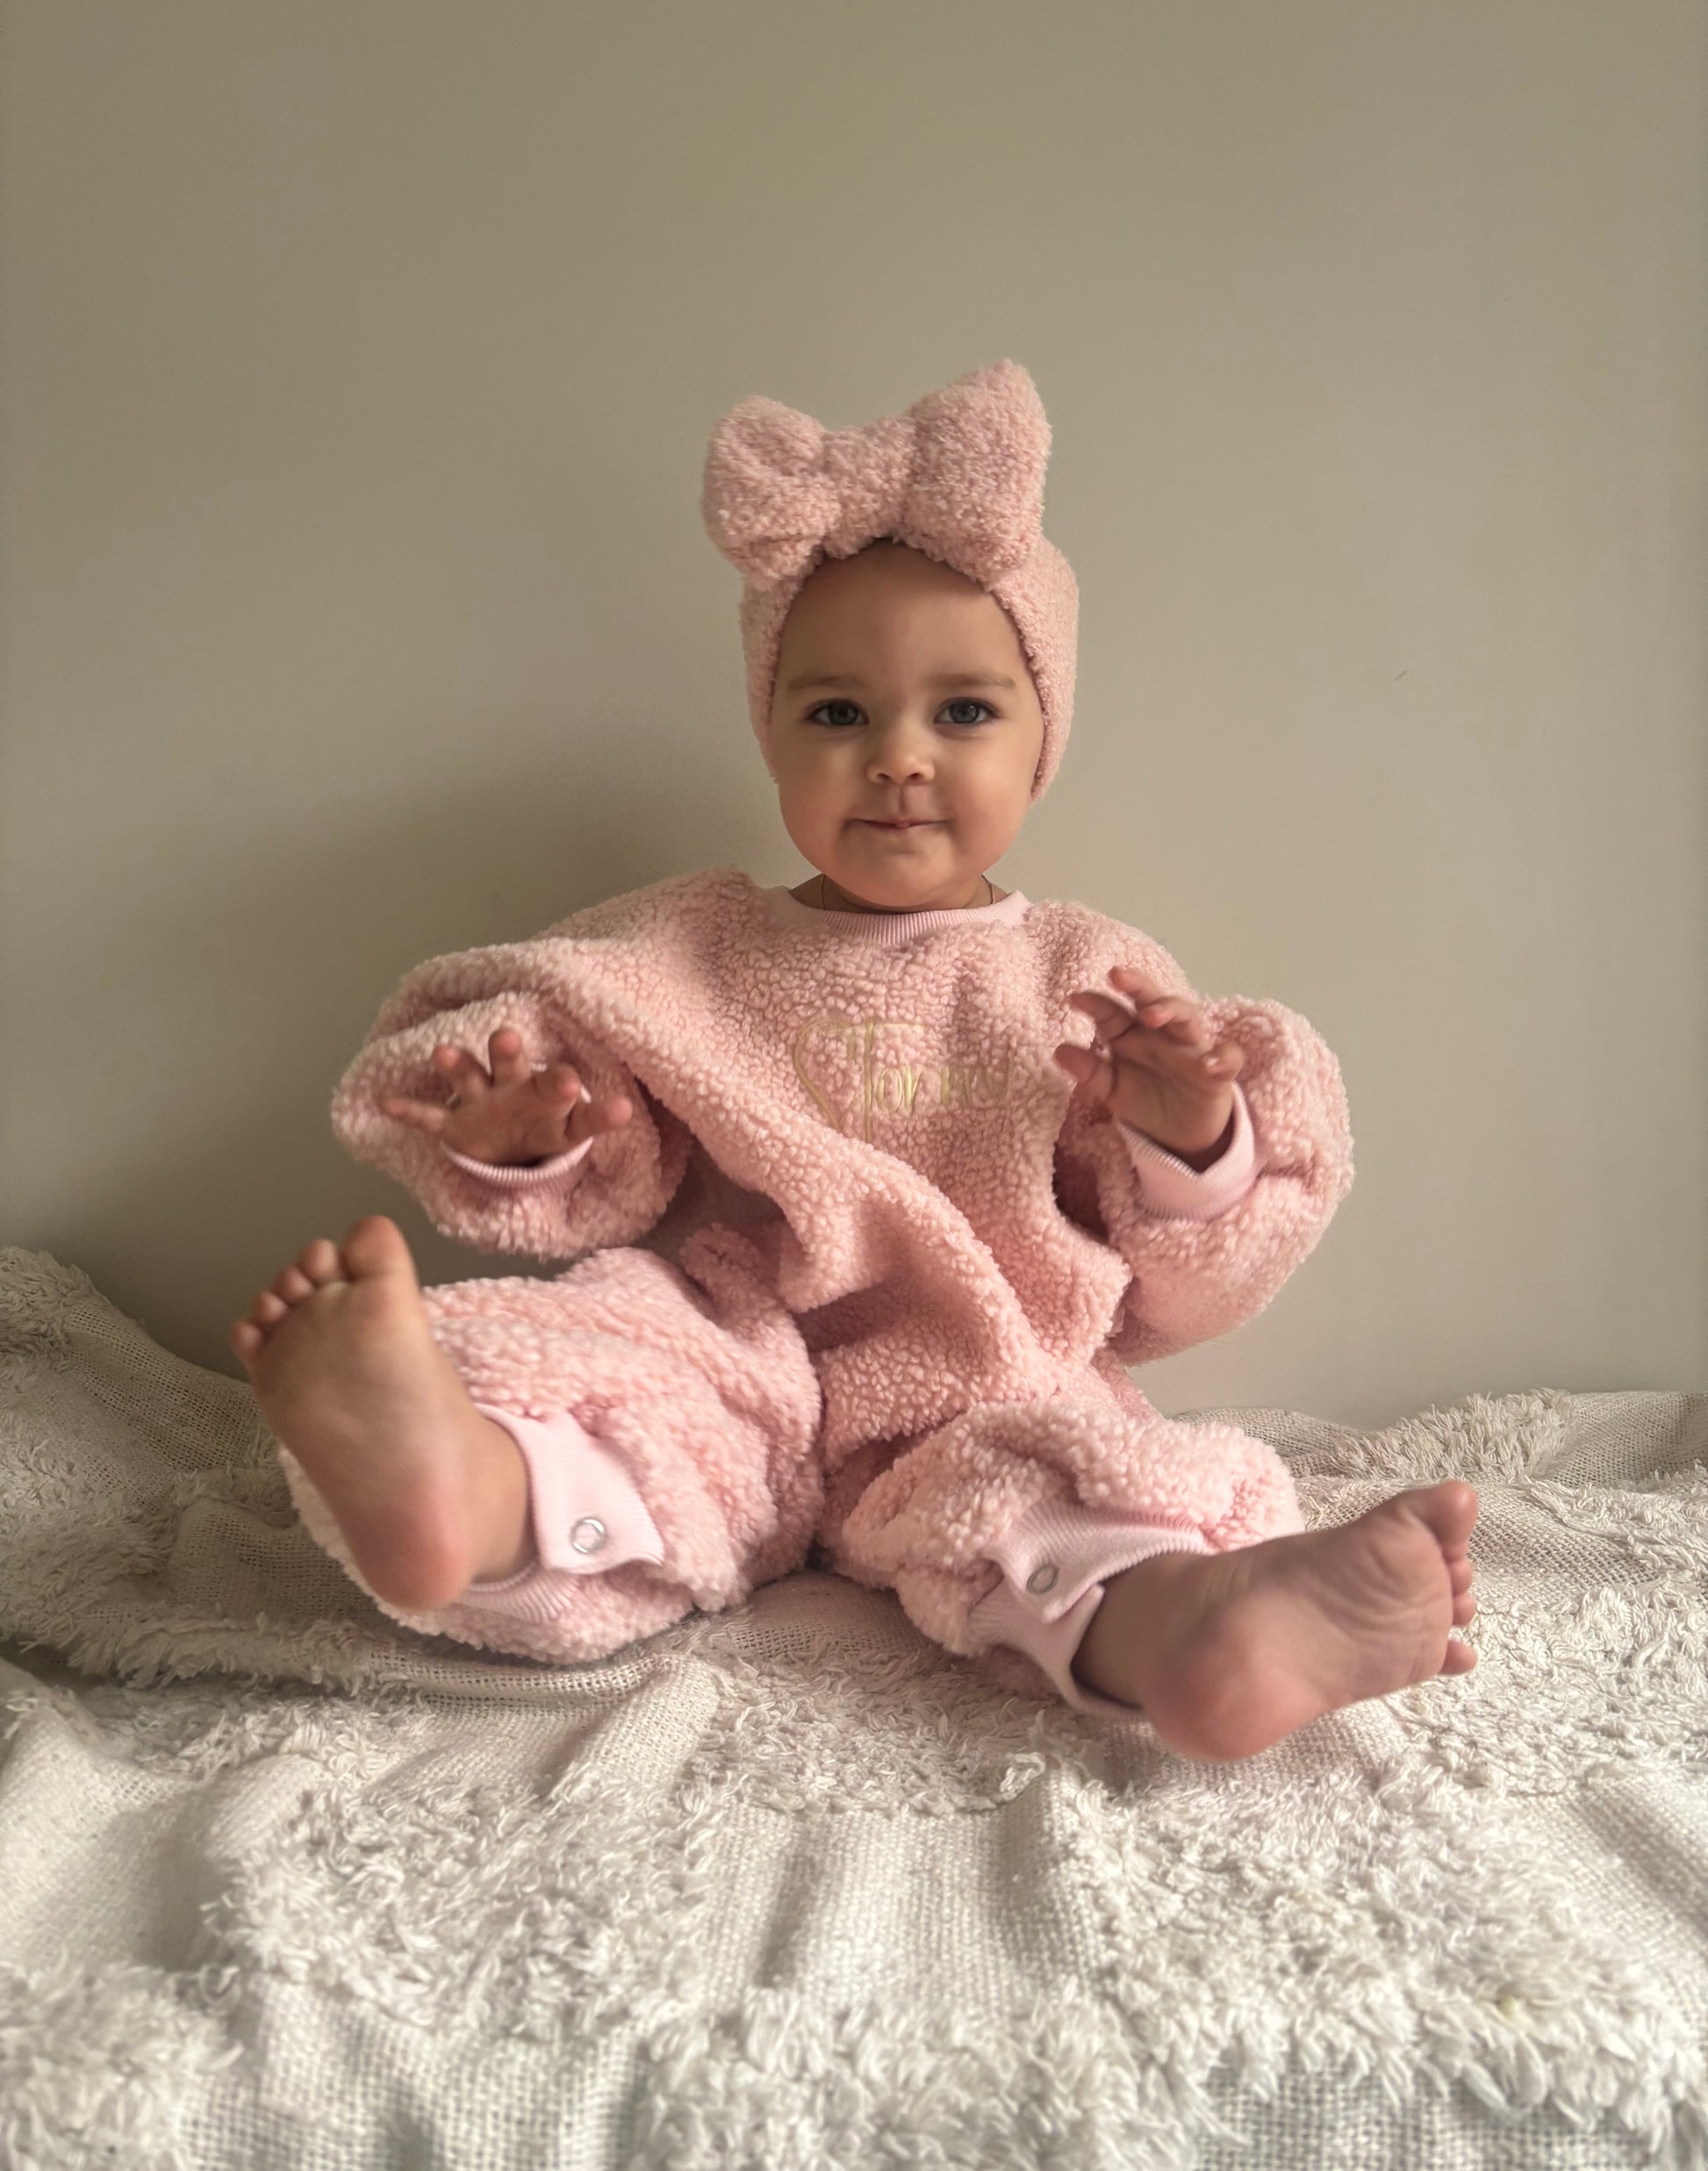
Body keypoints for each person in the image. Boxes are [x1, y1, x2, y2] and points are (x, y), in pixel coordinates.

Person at [231, 360, 1478, 1761]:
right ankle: (467, 1486)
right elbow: (595, 1146)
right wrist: (532, 1127)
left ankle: (1198, 1626)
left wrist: (1189, 1136)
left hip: (978, 1364)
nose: (896, 758)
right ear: (768, 733)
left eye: (963, 712)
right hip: (729, 1341)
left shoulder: (1082, 970)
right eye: (837, 714)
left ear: (1043, 739)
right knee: (603, 1382)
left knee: (1060, 1494)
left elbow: (1180, 1284)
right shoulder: (688, 947)